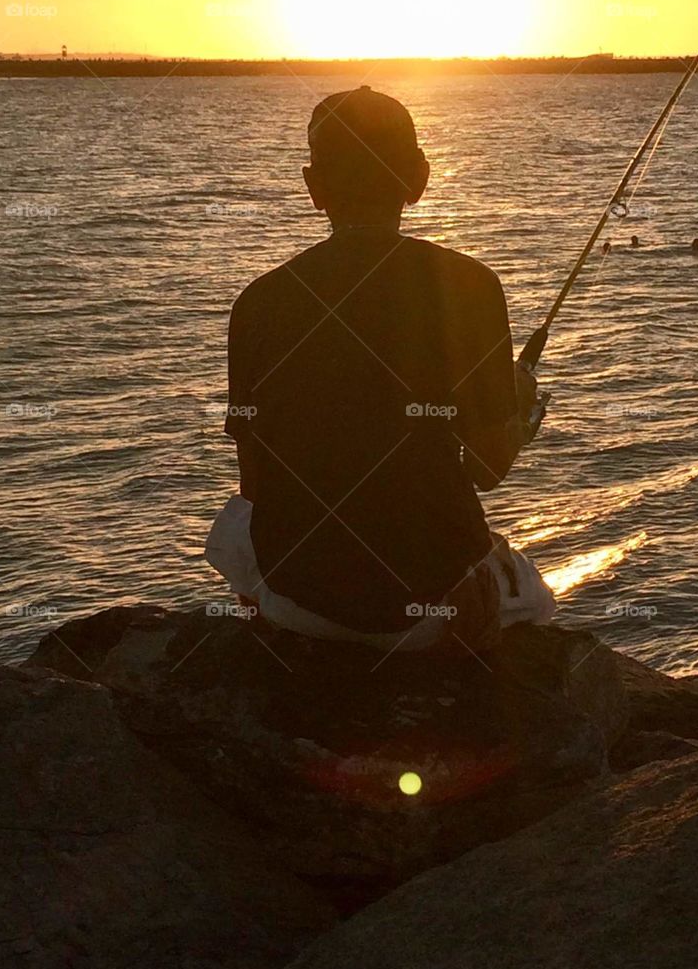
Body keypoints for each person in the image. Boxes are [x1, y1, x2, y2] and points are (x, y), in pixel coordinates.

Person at [206, 86, 555, 653]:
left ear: (313, 187)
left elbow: (257, 485)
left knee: (233, 530)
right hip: (427, 618)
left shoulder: (259, 301)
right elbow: (489, 469)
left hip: (298, 605)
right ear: (417, 179)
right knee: (534, 592)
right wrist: (517, 409)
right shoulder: (469, 286)